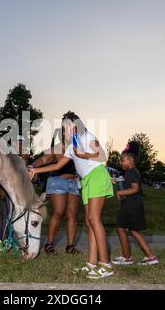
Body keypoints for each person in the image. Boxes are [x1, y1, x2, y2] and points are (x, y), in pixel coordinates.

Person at [29, 111, 114, 279]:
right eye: (63, 126)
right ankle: (91, 263)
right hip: (87, 180)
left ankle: (106, 265)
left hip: (97, 176)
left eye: (67, 125)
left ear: (76, 125)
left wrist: (84, 154)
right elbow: (57, 165)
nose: (64, 129)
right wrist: (35, 170)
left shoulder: (87, 137)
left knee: (95, 220)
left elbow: (103, 155)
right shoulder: (70, 146)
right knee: (90, 222)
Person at [29, 127, 81, 255]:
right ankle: (49, 243)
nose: (68, 133)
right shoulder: (57, 149)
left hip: (73, 182)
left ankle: (70, 246)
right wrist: (32, 166)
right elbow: (43, 160)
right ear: (61, 134)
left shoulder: (77, 147)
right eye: (65, 131)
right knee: (58, 212)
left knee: (72, 215)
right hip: (57, 181)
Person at [111, 142, 159, 266]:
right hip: (133, 203)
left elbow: (135, 188)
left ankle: (127, 258)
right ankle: (150, 256)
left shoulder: (131, 172)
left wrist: (120, 192)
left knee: (120, 227)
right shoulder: (132, 172)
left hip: (131, 204)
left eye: (122, 160)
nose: (120, 163)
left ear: (130, 160)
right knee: (133, 230)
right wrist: (119, 183)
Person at [0, 135, 30, 251]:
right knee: (5, 215)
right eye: (17, 142)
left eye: (21, 143)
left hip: (20, 190)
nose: (19, 145)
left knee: (18, 216)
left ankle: (13, 240)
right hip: (8, 189)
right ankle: (0, 241)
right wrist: (2, 190)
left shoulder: (24, 157)